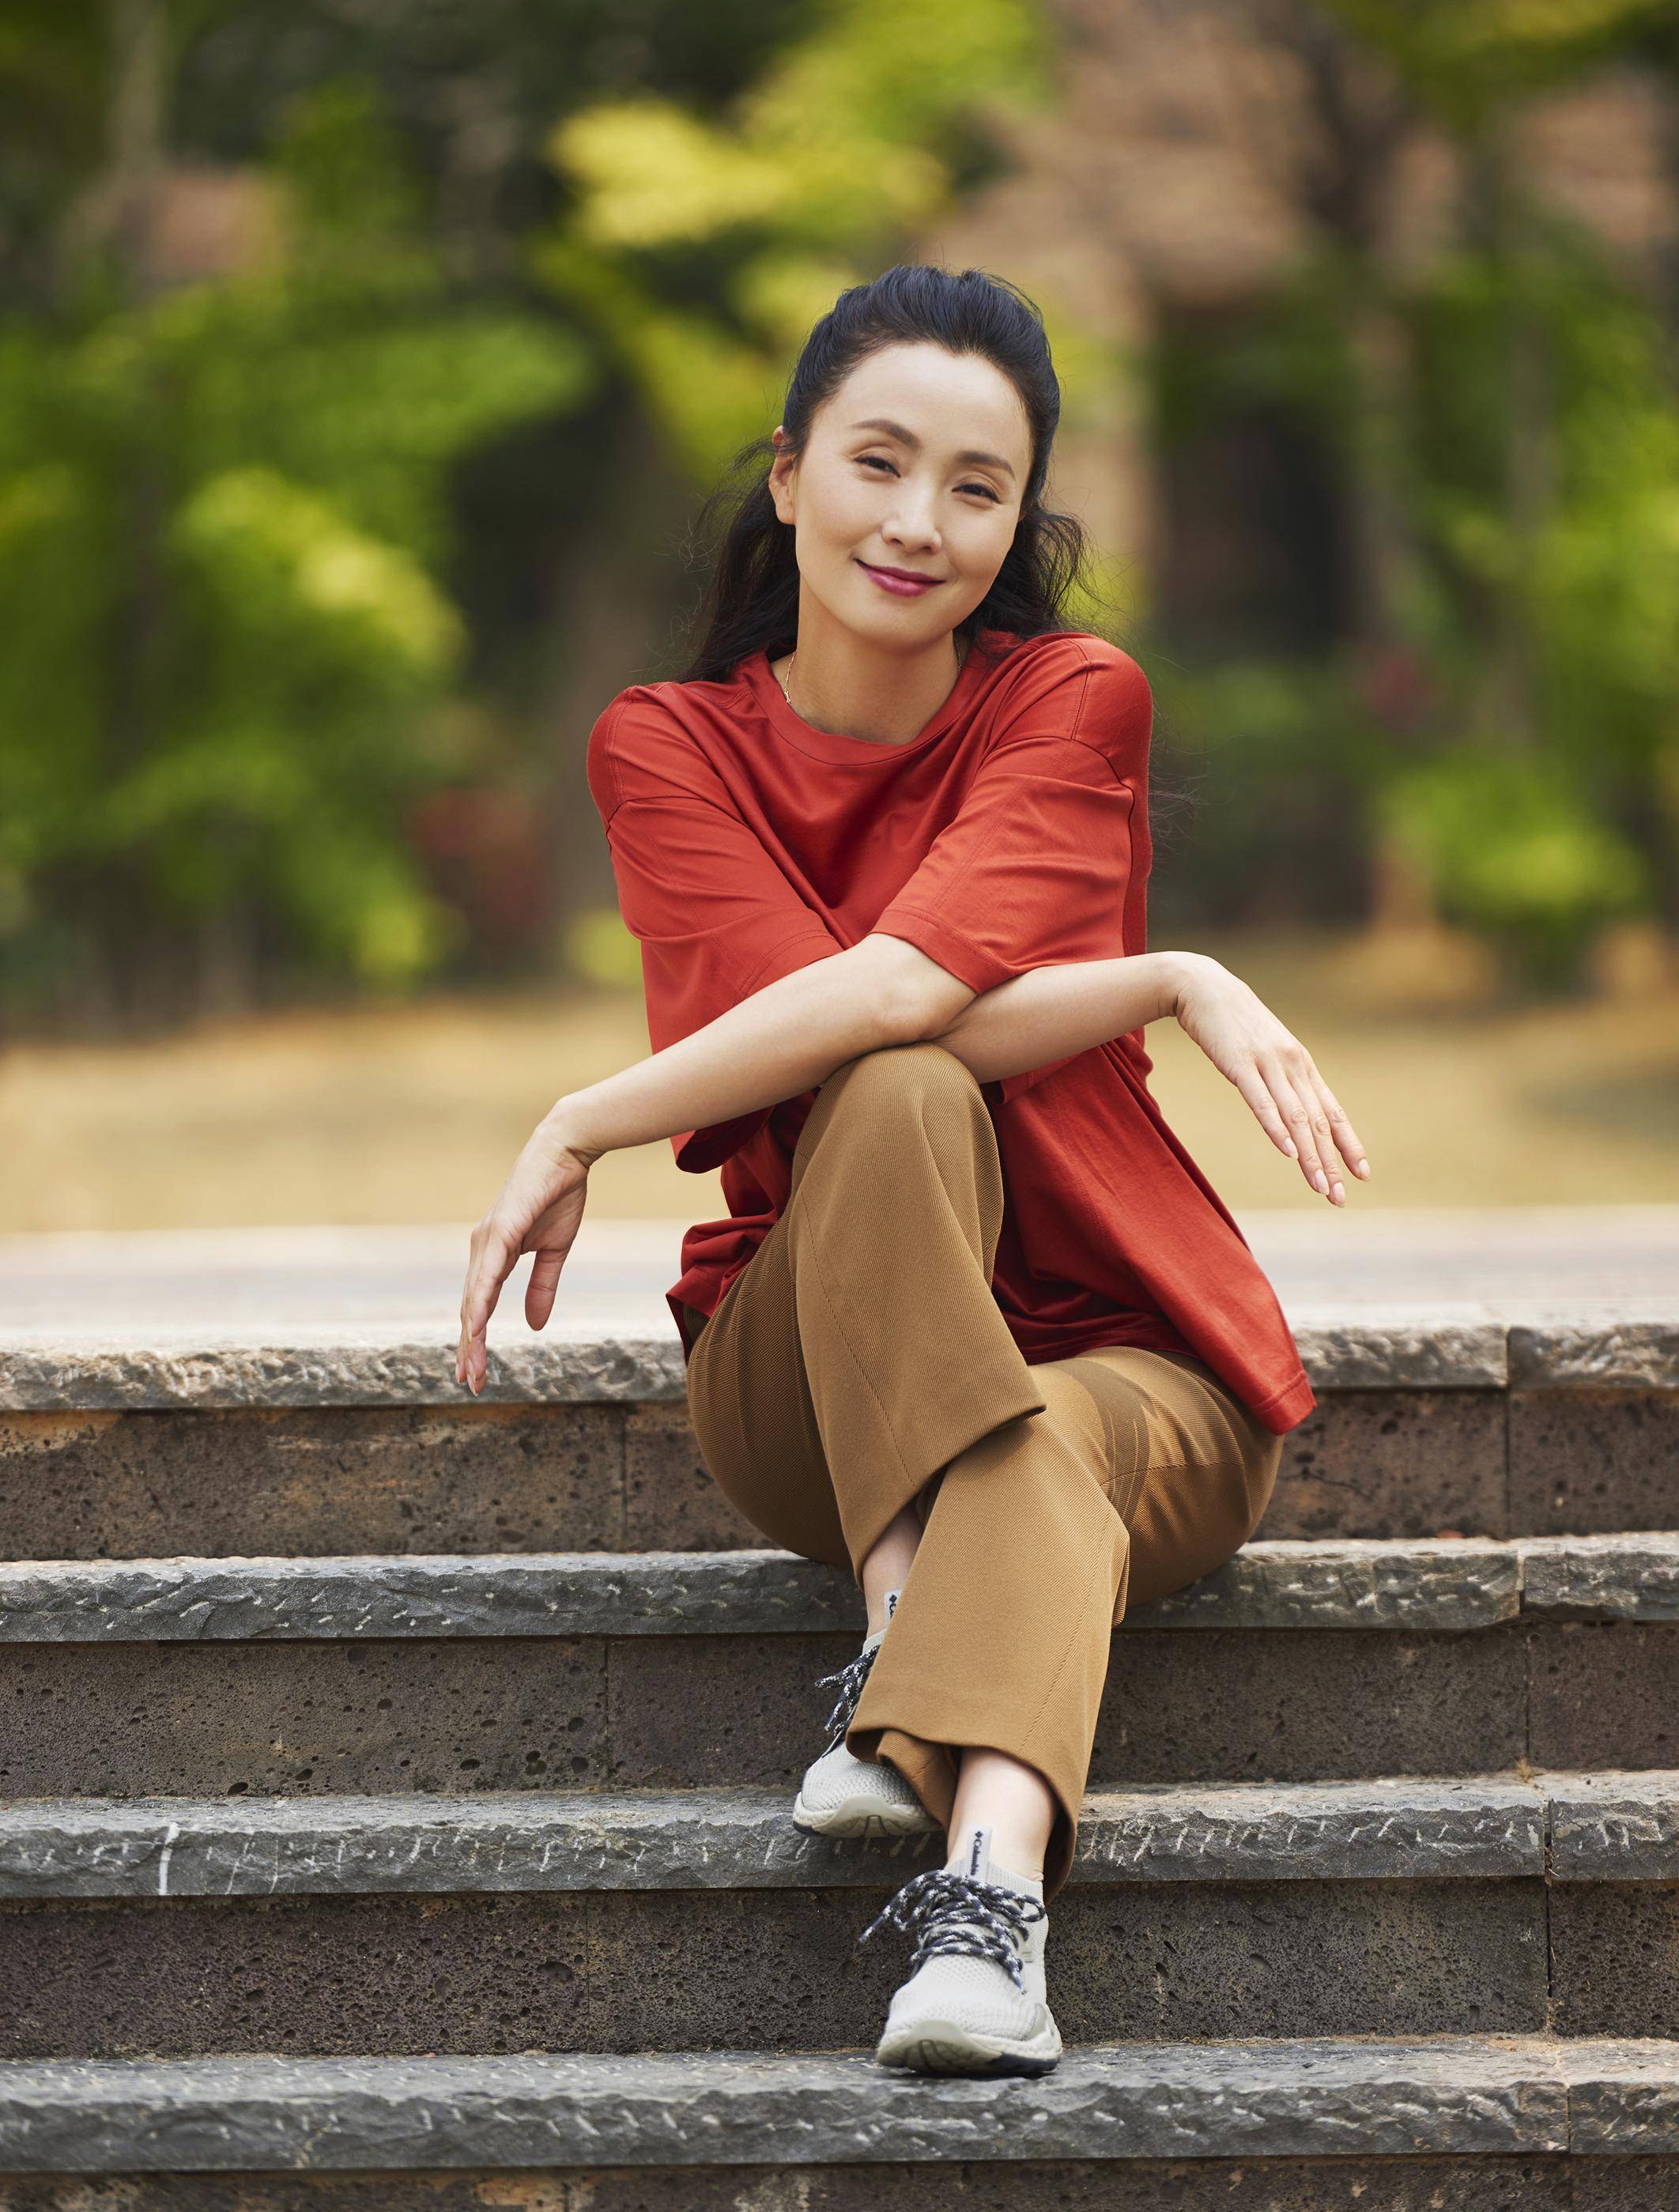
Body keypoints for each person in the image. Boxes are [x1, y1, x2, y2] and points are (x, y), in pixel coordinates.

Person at [456, 263, 1369, 2079]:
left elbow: (895, 987)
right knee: (883, 1101)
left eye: (978, 487)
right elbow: (870, 1040)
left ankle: (985, 1896)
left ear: (1022, 520)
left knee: (1019, 1380)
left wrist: (585, 1117)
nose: (920, 522)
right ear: (788, 474)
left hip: (1143, 1361)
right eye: (879, 462)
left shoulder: (1072, 698)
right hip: (806, 1370)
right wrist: (1165, 980)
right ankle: (899, 1638)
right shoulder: (669, 742)